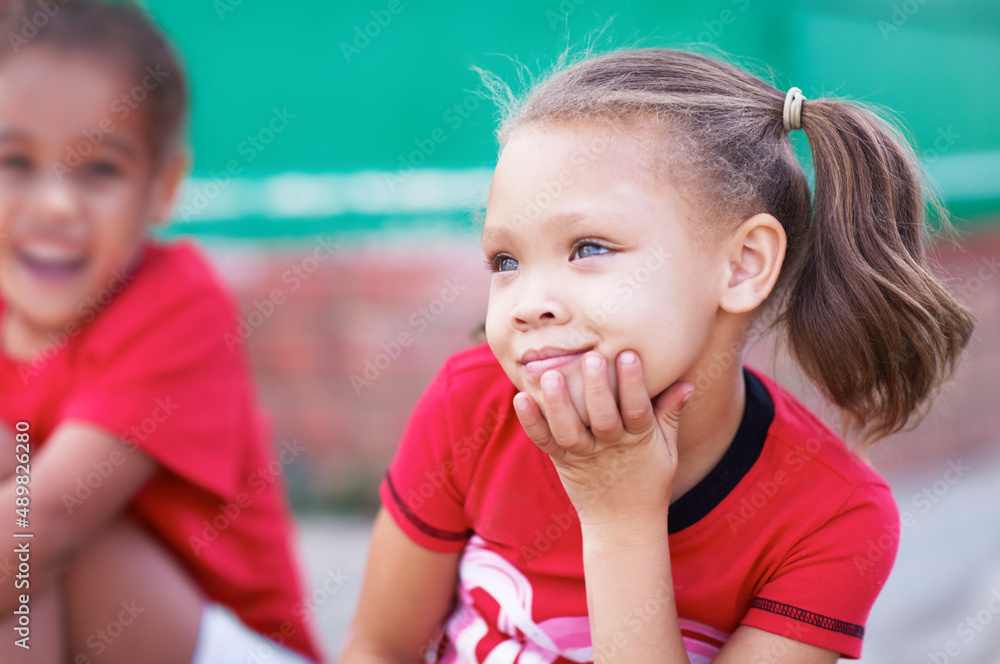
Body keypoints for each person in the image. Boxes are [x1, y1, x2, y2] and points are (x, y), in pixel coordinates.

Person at [342, 48, 975, 663]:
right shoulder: (471, 405)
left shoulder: (833, 520)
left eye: (589, 248)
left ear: (743, 265)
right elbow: (377, 648)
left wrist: (619, 514)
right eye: (505, 261)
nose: (528, 302)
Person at [0, 1, 322, 662]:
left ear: (162, 187)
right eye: (14, 162)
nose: (55, 204)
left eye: (100, 170)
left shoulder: (178, 303)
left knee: (40, 530)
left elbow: (48, 524)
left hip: (229, 647)